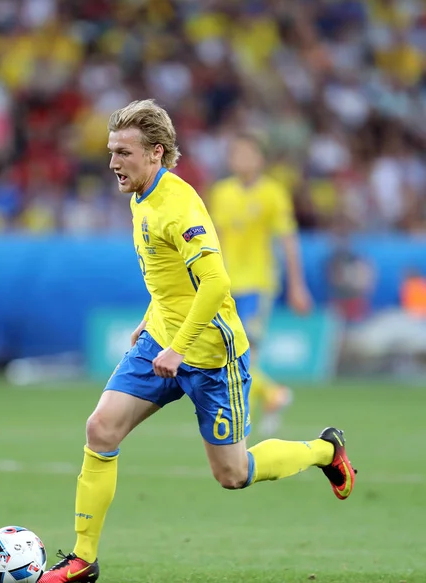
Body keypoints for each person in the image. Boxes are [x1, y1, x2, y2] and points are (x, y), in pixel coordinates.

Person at [40, 100, 356, 583]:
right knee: (100, 430)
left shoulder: (181, 205)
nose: (112, 163)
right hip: (161, 340)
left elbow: (214, 285)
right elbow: (169, 278)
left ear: (156, 153)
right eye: (111, 152)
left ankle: (324, 451)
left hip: (210, 355)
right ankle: (83, 560)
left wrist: (180, 347)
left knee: (233, 474)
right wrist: (152, 320)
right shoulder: (139, 197)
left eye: (123, 152)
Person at [208, 133, 312, 436]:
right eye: (237, 154)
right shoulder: (221, 192)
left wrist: (297, 285)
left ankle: (252, 409)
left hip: (258, 284)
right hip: (225, 285)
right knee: (228, 352)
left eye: (248, 154)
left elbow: (288, 240)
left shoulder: (272, 193)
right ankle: (270, 396)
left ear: (260, 158)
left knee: (245, 351)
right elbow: (215, 238)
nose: (242, 160)